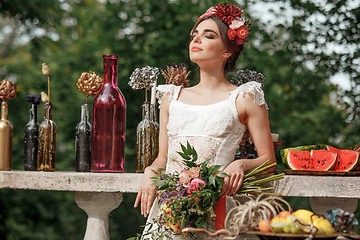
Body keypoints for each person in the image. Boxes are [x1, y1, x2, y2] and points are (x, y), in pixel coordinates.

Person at [134, 3, 275, 239]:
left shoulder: (245, 97)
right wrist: (150, 171)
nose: (196, 40)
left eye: (208, 35)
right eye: (194, 35)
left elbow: (268, 161)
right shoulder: (171, 97)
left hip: (216, 214)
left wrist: (240, 165)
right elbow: (163, 158)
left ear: (227, 52)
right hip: (170, 213)